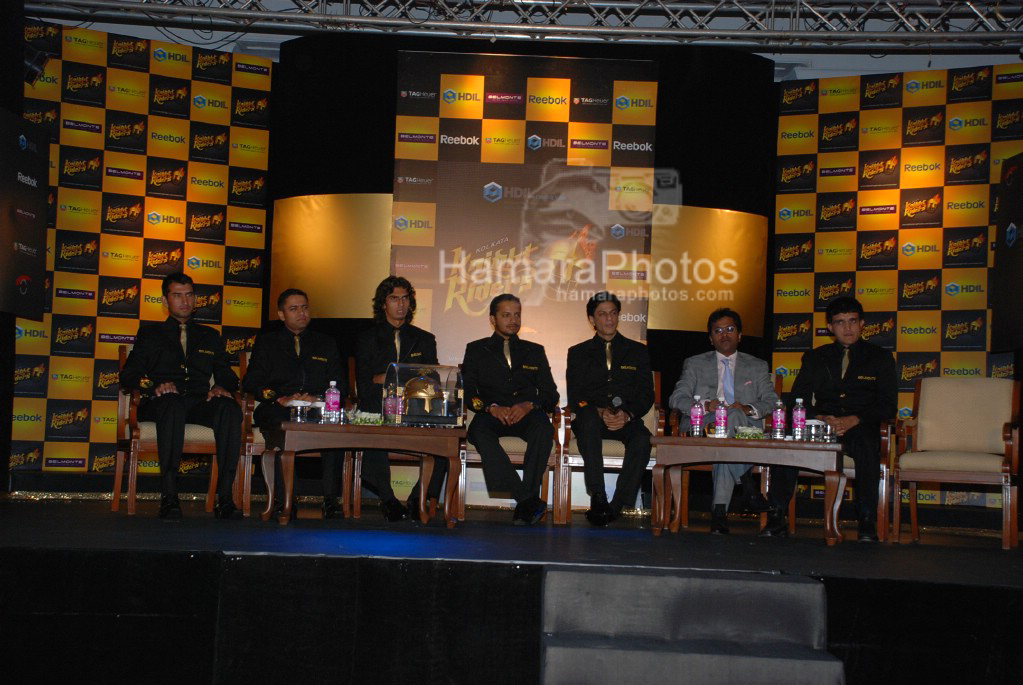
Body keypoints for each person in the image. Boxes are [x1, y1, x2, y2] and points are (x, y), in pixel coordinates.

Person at [761, 296, 897, 542]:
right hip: (821, 425)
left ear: (862, 323)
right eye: (840, 322)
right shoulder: (815, 357)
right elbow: (796, 400)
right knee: (789, 440)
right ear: (830, 327)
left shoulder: (880, 358)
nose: (847, 328)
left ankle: (867, 519)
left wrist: (855, 419)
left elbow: (888, 406)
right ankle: (777, 514)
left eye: (853, 321)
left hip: (860, 424)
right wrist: (820, 417)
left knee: (868, 444)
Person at [120, 272, 242, 520]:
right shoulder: (149, 334)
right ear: (165, 301)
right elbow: (129, 375)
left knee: (229, 408)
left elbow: (228, 375)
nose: (185, 301)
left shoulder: (210, 335)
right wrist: (153, 385)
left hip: (198, 402)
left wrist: (221, 386)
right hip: (161, 402)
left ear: (195, 299)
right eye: (177, 295)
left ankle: (225, 497)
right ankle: (169, 495)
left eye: (189, 295)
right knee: (172, 403)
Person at [668, 308, 776, 534]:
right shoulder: (694, 364)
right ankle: (747, 486)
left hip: (743, 432)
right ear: (710, 338)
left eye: (730, 329)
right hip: (703, 426)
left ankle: (719, 514)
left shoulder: (757, 366)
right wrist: (706, 406)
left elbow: (771, 402)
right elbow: (676, 399)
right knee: (727, 424)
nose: (724, 335)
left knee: (731, 426)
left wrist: (748, 408)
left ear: (740, 335)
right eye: (718, 331)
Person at [243, 288, 345, 519]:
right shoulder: (267, 342)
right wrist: (278, 397)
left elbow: (341, 384)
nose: (301, 313)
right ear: (281, 314)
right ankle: (286, 498)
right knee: (282, 429)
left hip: (315, 406)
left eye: (305, 307)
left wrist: (318, 398)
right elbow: (251, 382)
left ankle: (331, 501)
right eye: (294, 309)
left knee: (336, 426)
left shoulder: (326, 343)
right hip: (278, 406)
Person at [462, 293, 560, 525]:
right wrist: (490, 407)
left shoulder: (534, 350)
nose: (513, 320)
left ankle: (526, 500)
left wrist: (529, 405)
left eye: (517, 315)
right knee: (478, 432)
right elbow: (468, 393)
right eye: (506, 315)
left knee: (543, 430)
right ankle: (527, 499)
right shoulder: (476, 349)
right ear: (493, 319)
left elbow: (551, 394)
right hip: (492, 414)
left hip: (525, 413)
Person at [355, 276, 446, 521]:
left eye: (405, 298)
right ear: (383, 303)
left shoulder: (424, 339)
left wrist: (387, 377)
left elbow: (430, 381)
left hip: (414, 405)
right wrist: (404, 377)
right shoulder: (367, 338)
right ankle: (387, 498)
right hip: (377, 404)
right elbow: (364, 384)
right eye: (394, 298)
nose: (401, 304)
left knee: (446, 435)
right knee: (370, 420)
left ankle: (420, 497)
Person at [566, 292, 653, 526]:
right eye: (602, 314)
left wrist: (628, 414)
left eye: (613, 313)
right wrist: (598, 411)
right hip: (591, 419)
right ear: (592, 319)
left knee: (642, 440)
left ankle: (616, 505)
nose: (609, 319)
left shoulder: (638, 351)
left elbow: (647, 395)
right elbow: (576, 397)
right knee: (587, 419)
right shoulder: (578, 352)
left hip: (625, 419)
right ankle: (598, 495)